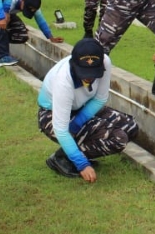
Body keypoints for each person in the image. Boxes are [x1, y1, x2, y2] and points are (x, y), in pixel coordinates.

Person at [38, 38, 139, 182]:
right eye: (84, 72)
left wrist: (78, 123)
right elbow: (60, 129)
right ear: (74, 64)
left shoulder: (105, 62)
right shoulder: (63, 81)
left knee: (130, 127)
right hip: (52, 115)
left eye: (93, 72)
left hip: (83, 107)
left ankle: (69, 152)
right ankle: (61, 158)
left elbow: (100, 99)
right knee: (118, 139)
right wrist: (82, 164)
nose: (89, 77)